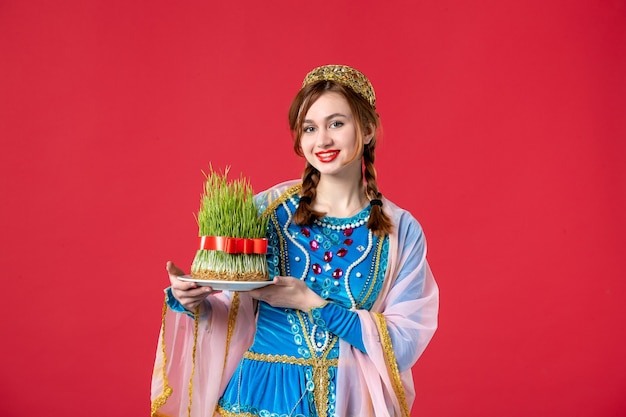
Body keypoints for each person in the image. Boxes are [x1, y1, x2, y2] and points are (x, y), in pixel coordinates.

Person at [151, 64, 439, 417]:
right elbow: (230, 309)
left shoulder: (400, 231)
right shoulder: (267, 212)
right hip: (259, 395)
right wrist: (193, 301)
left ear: (366, 130)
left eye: (336, 123)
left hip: (349, 402)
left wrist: (314, 304)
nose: (322, 141)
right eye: (309, 128)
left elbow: (403, 343)